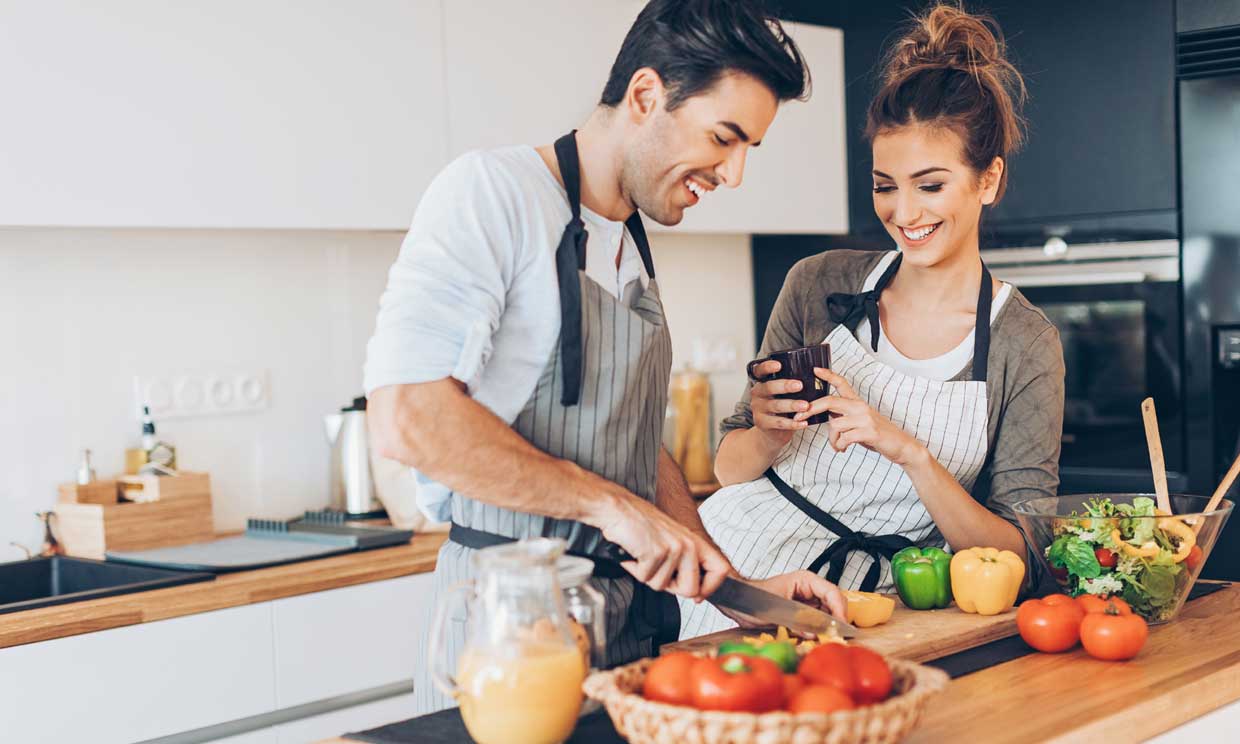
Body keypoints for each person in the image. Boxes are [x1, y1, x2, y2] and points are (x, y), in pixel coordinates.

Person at [364, 0, 846, 714]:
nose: (734, 173)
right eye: (724, 137)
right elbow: (406, 418)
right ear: (647, 96)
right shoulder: (493, 195)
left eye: (749, 148)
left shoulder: (629, 242)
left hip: (628, 631)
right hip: (514, 633)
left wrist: (735, 589)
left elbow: (633, 450)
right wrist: (613, 509)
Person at [680, 2, 1066, 639]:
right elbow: (727, 468)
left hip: (881, 602)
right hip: (738, 574)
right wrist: (771, 435)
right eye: (885, 184)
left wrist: (909, 452)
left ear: (988, 180)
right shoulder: (818, 283)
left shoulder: (1025, 343)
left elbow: (1022, 558)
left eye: (930, 185)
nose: (903, 210)